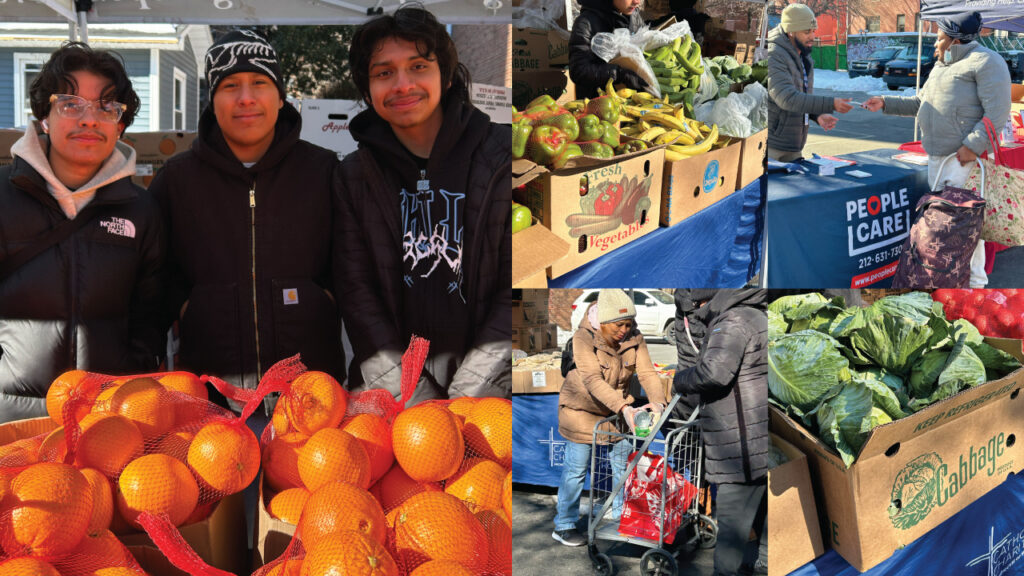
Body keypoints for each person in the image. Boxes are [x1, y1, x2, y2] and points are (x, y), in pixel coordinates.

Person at [150, 30, 346, 402]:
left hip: (313, 395)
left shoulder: (323, 171)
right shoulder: (176, 180)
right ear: (212, 99)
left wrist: (323, 297)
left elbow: (352, 267)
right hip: (211, 397)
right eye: (230, 85)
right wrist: (188, 305)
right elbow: (154, 276)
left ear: (281, 96)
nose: (246, 98)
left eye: (259, 82)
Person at [336, 6, 511, 405]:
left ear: (446, 76)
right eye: (383, 72)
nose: (402, 84)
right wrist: (415, 401)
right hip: (391, 402)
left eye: (418, 66)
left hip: (489, 400)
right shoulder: (352, 176)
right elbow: (357, 297)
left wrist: (467, 399)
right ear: (367, 90)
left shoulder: (502, 158)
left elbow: (511, 290)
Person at [0, 42, 164, 423]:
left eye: (107, 107)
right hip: (11, 421)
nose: (89, 119)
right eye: (70, 104)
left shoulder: (142, 210)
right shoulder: (2, 197)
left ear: (120, 124)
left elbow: (151, 315)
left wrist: (131, 384)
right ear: (44, 116)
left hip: (109, 423)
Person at [863, 11, 1009, 288]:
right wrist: (885, 102)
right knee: (950, 227)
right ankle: (952, 282)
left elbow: (998, 112)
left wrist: (972, 146)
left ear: (955, 40)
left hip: (962, 160)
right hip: (939, 158)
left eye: (939, 38)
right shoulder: (942, 64)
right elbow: (921, 102)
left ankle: (975, 284)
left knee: (963, 227)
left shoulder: (987, 62)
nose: (934, 44)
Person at [552, 289, 668, 547]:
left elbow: (647, 373)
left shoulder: (635, 337)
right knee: (576, 470)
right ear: (603, 321)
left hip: (617, 415)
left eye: (628, 324)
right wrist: (624, 408)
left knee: (623, 467)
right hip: (581, 413)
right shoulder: (583, 338)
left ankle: (620, 518)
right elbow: (592, 379)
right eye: (619, 324)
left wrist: (658, 403)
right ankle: (564, 524)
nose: (624, 330)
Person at [673, 289, 768, 576]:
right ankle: (763, 562)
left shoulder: (730, 322)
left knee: (730, 532)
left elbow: (714, 372)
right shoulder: (756, 314)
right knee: (760, 513)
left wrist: (680, 381)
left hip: (738, 449)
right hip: (755, 441)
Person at [766, 3, 853, 161]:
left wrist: (816, 115)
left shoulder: (803, 56)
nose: (813, 36)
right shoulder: (774, 54)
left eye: (813, 31)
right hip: (772, 149)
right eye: (807, 32)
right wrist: (831, 103)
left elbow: (801, 96)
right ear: (791, 31)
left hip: (794, 147)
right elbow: (787, 98)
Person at [569, 0, 649, 99]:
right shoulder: (586, 23)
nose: (637, 2)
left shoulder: (634, 17)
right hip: (598, 104)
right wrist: (618, 74)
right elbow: (579, 71)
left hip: (631, 101)